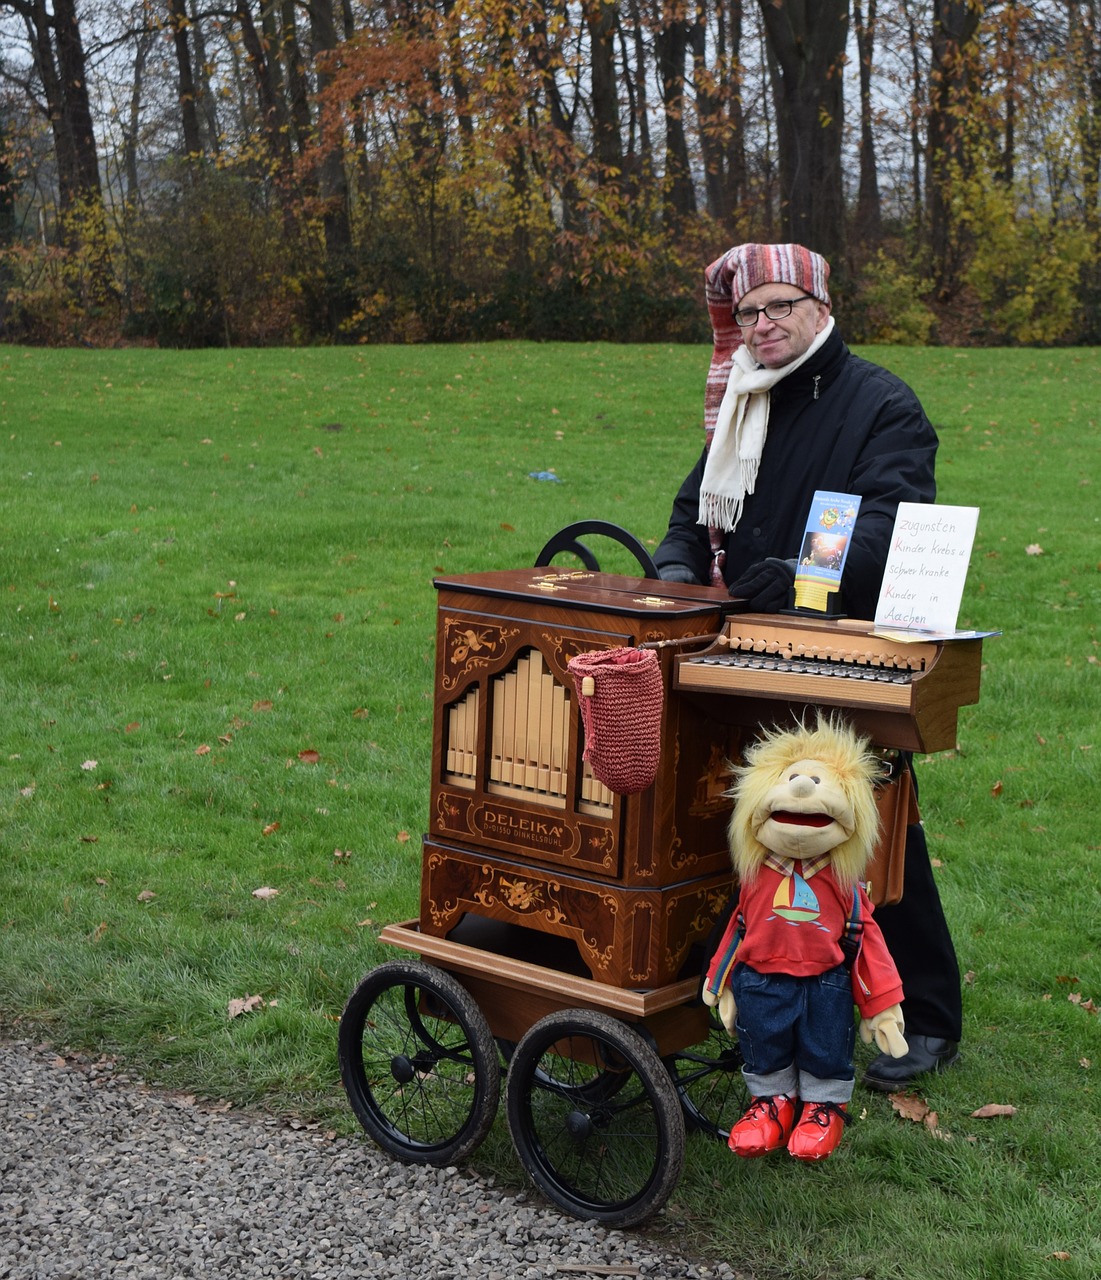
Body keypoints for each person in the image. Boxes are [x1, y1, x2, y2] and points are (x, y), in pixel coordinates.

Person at [654, 242, 962, 1089]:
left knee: (870, 829)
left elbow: (888, 527)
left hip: (837, 651)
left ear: (821, 309)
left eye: (780, 307)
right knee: (749, 820)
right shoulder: (742, 406)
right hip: (732, 642)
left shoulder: (880, 404)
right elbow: (692, 513)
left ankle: (926, 1016)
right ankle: (760, 983)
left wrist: (795, 577)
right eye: (750, 313)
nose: (764, 325)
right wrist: (676, 572)